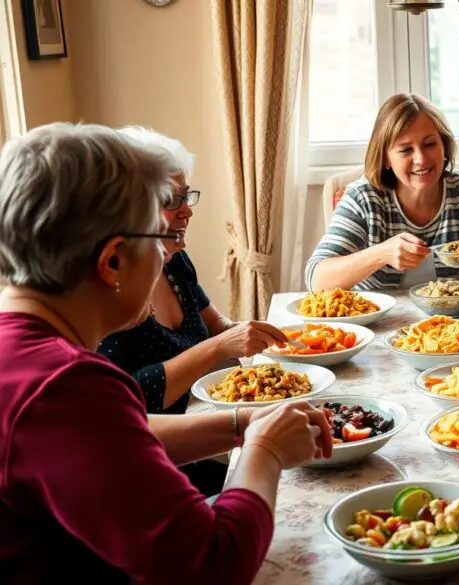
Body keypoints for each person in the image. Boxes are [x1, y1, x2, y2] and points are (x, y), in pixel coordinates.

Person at [0, 122, 332, 584]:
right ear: (113, 260)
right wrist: (267, 450)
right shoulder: (66, 385)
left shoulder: (24, 357)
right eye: (159, 238)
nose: (167, 254)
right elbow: (212, 565)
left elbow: (117, 436)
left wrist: (242, 424)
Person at [98, 127, 289, 496]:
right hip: (164, 461)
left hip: (201, 426)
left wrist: (247, 336)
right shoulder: (110, 290)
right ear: (131, 209)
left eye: (186, 197)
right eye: (172, 200)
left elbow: (214, 324)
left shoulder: (174, 259)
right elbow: (134, 399)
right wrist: (220, 348)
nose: (186, 210)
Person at [306, 93, 459, 291]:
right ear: (385, 158)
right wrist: (381, 253)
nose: (421, 159)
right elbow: (316, 278)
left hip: (458, 328)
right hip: (376, 330)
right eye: (405, 150)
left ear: (444, 146)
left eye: (430, 144)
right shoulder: (363, 198)